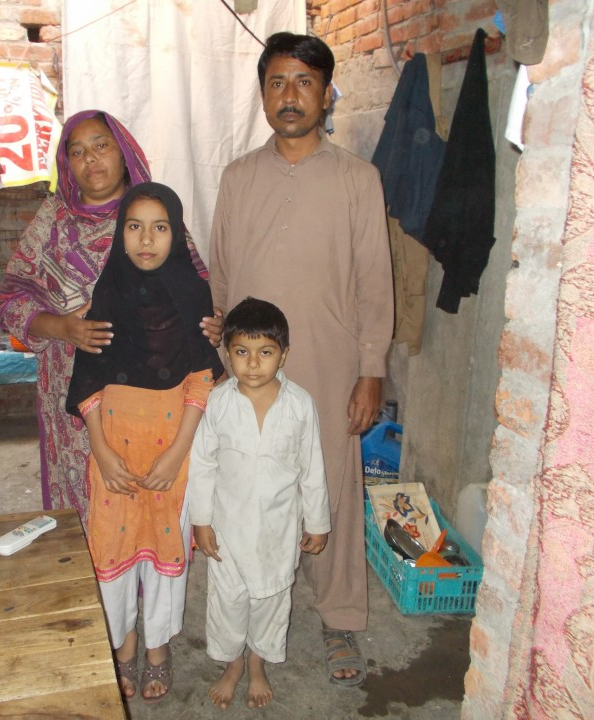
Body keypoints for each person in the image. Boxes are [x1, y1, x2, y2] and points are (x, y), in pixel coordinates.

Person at [208, 32, 394, 687]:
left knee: (330, 488)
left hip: (329, 362)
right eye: (278, 83)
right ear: (263, 93)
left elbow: (375, 283)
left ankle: (338, 616)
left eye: (305, 82)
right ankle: (244, 612)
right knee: (250, 487)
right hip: (249, 369)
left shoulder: (358, 179)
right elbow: (222, 277)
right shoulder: (237, 179)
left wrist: (370, 371)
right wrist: (225, 359)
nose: (290, 96)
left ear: (326, 93)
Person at [0, 110, 222, 526]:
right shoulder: (52, 221)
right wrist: (63, 327)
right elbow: (11, 300)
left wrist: (213, 321)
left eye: (101, 145)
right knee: (85, 500)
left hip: (153, 393)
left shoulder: (152, 213)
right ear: (67, 163)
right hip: (73, 388)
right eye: (77, 151)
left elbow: (196, 291)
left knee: (150, 495)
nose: (91, 159)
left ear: (124, 152)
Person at [65, 182, 224, 704]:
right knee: (113, 546)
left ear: (177, 234)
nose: (147, 239)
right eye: (134, 227)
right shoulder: (108, 291)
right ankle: (123, 644)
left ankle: (157, 648)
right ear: (120, 233)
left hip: (171, 449)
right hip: (114, 449)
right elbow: (87, 380)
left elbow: (202, 378)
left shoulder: (193, 294)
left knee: (162, 546)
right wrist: (100, 450)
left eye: (160, 227)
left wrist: (177, 453)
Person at [189, 297, 330, 709]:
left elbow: (312, 468)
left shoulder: (300, 405)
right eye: (241, 352)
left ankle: (256, 663)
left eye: (265, 352)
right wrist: (201, 520)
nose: (253, 364)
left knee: (271, 600)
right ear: (227, 354)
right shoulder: (219, 402)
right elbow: (203, 464)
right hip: (227, 529)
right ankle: (232, 663)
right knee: (227, 601)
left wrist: (317, 522)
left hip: (278, 529)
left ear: (283, 355)